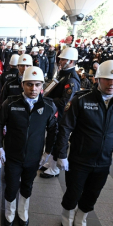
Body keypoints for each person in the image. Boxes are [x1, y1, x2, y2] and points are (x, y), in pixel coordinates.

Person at [55, 60, 113, 226]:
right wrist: (61, 154)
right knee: (73, 193)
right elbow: (65, 128)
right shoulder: (81, 99)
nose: (111, 84)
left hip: (103, 161)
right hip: (79, 159)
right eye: (107, 79)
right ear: (98, 79)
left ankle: (80, 220)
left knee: (92, 194)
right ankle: (66, 218)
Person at [0, 66, 57, 226]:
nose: (33, 88)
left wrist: (48, 152)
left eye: (37, 85)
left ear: (42, 86)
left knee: (27, 185)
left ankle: (23, 211)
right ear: (22, 84)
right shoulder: (10, 103)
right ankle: (10, 212)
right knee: (12, 185)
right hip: (12, 156)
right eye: (29, 84)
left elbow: (52, 130)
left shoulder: (48, 107)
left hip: (34, 157)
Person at [40, 47, 81, 178]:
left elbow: (65, 102)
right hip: (55, 112)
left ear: (70, 61)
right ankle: (50, 162)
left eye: (63, 59)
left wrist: (49, 99)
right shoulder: (63, 74)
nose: (60, 61)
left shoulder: (71, 79)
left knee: (58, 139)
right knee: (51, 138)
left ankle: (54, 168)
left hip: (62, 115)